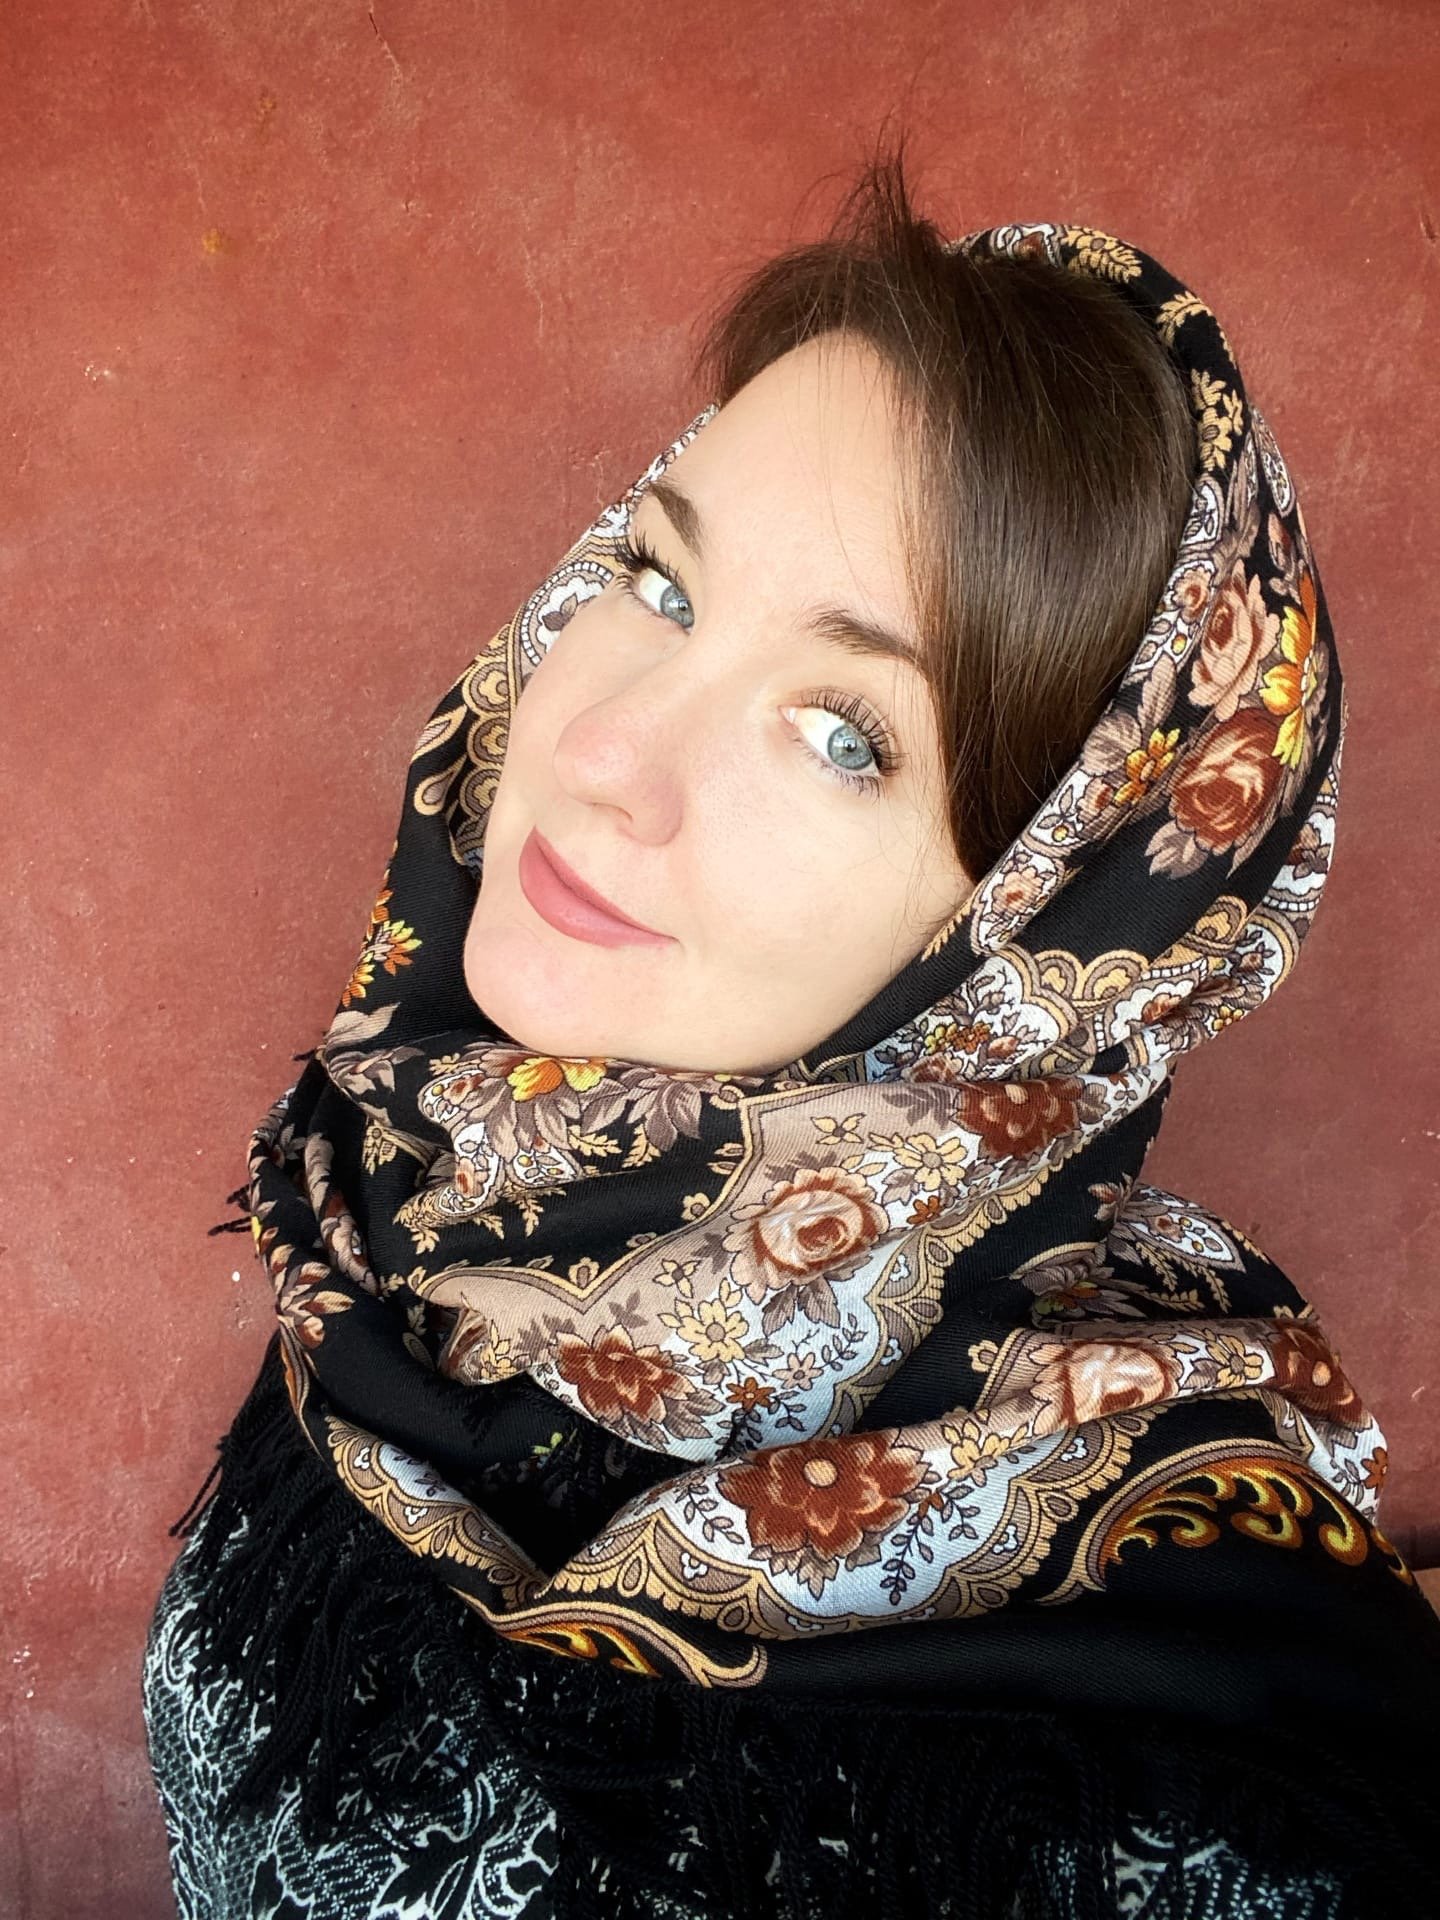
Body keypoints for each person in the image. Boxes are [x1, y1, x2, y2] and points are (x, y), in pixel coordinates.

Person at [142, 142, 1440, 1920]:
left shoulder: (1204, 1759)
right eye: (661, 584)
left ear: (1052, 931)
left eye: (845, 735)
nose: (601, 750)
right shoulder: (406, 1195)